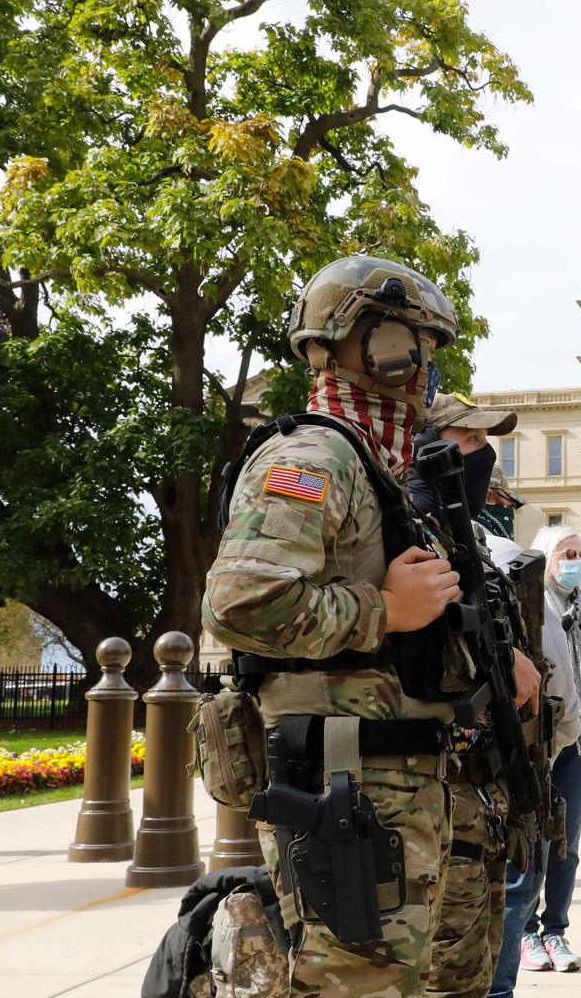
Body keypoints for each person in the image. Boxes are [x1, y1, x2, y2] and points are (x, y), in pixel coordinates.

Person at [202, 254, 497, 994]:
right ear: (377, 340)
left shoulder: (378, 470)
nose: (427, 364)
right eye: (419, 342)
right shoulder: (311, 456)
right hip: (348, 791)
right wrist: (386, 611)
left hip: (394, 785)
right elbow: (241, 603)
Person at [411, 392, 548, 998]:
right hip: (444, 784)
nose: (484, 453)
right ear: (433, 446)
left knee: (483, 954)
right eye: (471, 441)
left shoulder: (463, 533)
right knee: (449, 964)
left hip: (484, 785)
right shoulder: (412, 524)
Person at [490, 526, 581, 992]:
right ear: (545, 558)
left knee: (567, 843)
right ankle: (525, 933)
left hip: (579, 742)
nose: (575, 560)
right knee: (531, 841)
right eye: (566, 553)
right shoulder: (528, 604)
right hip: (538, 742)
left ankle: (556, 930)